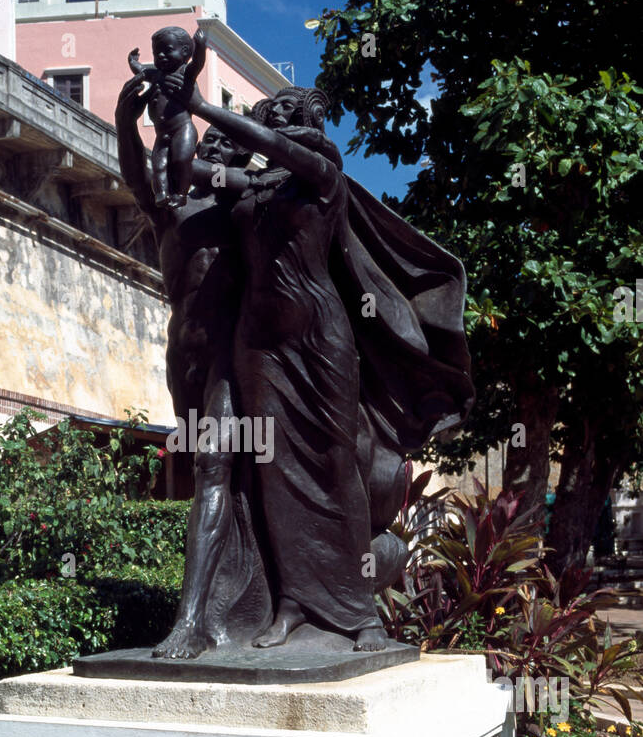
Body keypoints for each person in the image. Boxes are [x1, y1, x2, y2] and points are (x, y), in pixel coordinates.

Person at [180, 83, 474, 653]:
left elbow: (274, 144)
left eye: (293, 112)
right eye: (275, 111)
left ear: (313, 124)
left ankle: (360, 613)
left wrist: (198, 103)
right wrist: (159, 110)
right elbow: (187, 173)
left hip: (320, 336)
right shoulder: (256, 188)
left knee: (338, 465)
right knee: (274, 471)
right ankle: (293, 603)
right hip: (257, 344)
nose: (281, 118)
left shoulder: (321, 175)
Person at [115, 74, 271, 657]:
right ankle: (241, 590)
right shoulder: (172, 206)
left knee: (214, 468)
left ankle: (191, 622)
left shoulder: (247, 212)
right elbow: (137, 175)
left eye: (220, 148)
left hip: (231, 358)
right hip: (183, 352)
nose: (207, 151)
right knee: (216, 478)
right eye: (206, 146)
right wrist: (128, 122)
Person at [127, 26, 206, 208]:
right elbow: (142, 72)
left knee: (181, 160)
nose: (161, 56)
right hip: (161, 133)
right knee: (158, 165)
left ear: (185, 51)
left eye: (167, 51)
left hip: (182, 128)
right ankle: (161, 193)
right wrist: (133, 62)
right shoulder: (156, 75)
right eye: (157, 53)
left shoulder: (185, 73)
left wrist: (200, 47)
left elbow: (198, 64)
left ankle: (180, 193)